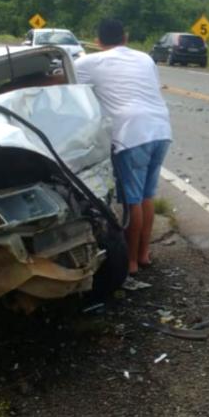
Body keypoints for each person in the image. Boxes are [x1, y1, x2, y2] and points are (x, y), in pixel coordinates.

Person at [75, 18, 172, 275]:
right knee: (147, 195)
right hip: (161, 129)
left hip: (131, 134)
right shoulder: (145, 59)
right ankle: (143, 254)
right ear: (125, 37)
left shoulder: (88, 62)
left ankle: (129, 262)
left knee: (132, 200)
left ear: (98, 41)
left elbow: (65, 85)